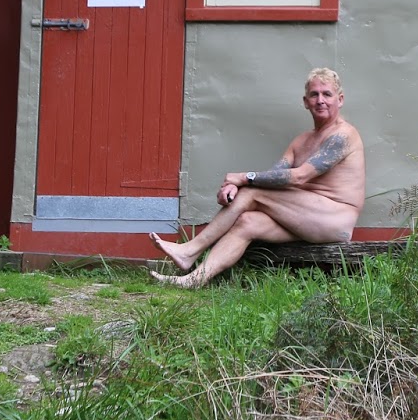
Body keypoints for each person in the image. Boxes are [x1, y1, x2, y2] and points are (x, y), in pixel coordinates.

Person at [149, 68, 364, 288]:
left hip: (336, 219)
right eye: (314, 95)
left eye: (327, 94)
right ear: (305, 101)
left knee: (252, 190)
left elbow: (299, 177)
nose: (320, 100)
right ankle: (194, 280)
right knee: (247, 222)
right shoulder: (301, 140)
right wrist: (233, 185)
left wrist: (242, 179)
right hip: (305, 217)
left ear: (340, 99)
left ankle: (190, 250)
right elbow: (273, 177)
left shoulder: (343, 135)